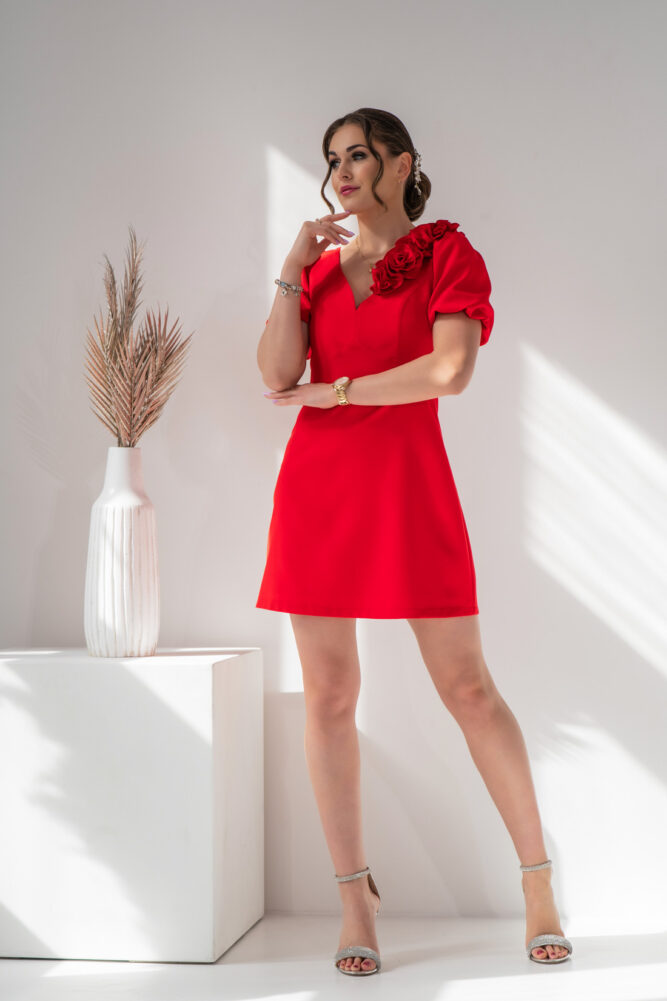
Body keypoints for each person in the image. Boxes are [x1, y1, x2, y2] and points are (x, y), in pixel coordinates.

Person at [256, 107, 573, 976]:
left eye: (359, 154)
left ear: (401, 164)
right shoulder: (319, 271)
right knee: (328, 697)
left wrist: (340, 390)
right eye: (332, 158)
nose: (342, 170)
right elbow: (277, 374)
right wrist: (290, 268)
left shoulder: (446, 255)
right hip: (318, 493)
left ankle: (537, 881)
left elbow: (449, 370)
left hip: (407, 489)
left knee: (468, 688)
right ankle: (354, 897)